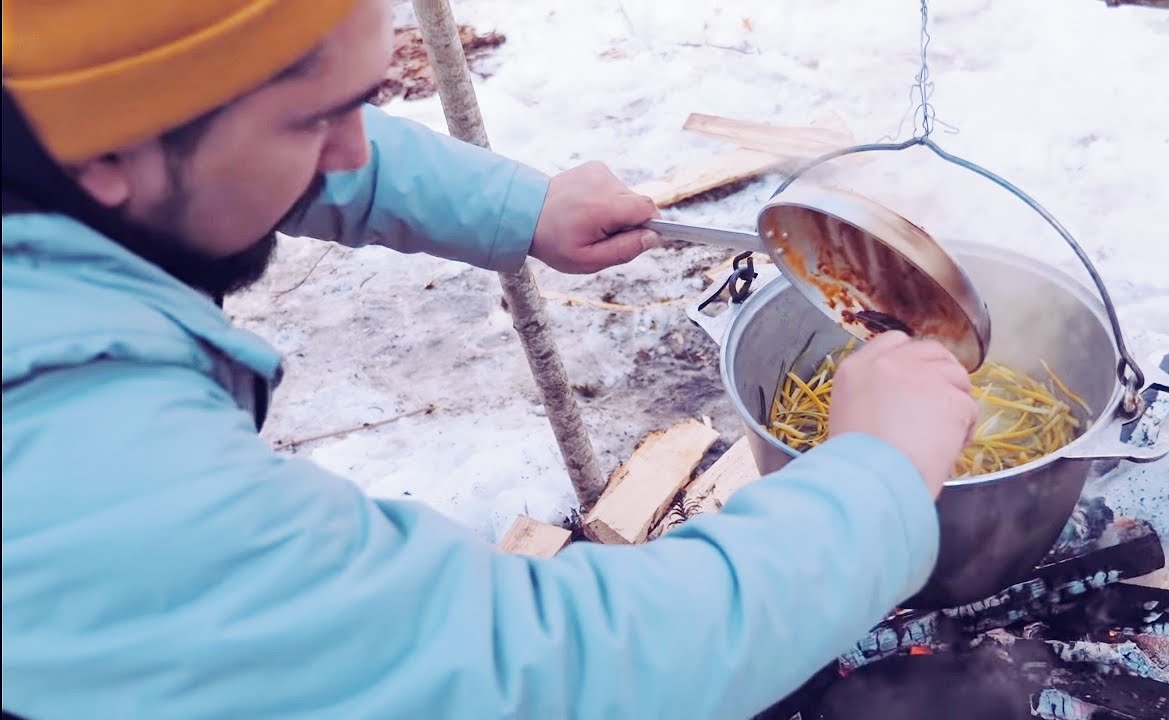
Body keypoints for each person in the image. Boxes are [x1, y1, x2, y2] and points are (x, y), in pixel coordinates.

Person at [0, 0, 978, 718]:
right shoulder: (84, 467)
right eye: (311, 123)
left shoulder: (56, 110)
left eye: (357, 101)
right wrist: (874, 477)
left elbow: (248, 125)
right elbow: (544, 672)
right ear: (106, 150)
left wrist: (517, 209)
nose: (349, 151)